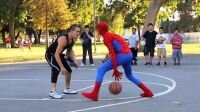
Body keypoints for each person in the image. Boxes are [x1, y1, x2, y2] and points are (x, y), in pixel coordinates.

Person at [82, 21, 153, 101]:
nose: (97, 30)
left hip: (122, 55)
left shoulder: (106, 37)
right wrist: (109, 59)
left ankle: (94, 94)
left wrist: (115, 69)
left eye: (98, 28)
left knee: (100, 69)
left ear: (100, 29)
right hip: (129, 55)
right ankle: (148, 91)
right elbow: (118, 48)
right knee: (129, 75)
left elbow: (113, 53)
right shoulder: (111, 34)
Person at [45, 24, 80, 99]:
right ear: (71, 31)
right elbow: (56, 54)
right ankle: (52, 92)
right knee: (56, 69)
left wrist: (75, 60)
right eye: (77, 31)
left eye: (79, 32)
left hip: (58, 54)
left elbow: (70, 51)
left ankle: (67, 89)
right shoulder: (63, 38)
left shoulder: (73, 39)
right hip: (50, 54)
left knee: (69, 70)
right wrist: (61, 67)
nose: (78, 33)